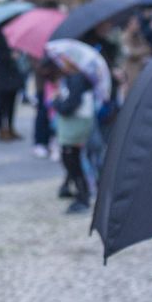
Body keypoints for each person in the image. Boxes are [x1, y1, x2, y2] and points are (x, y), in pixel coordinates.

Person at [52, 59, 96, 213]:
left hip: (75, 124)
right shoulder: (76, 77)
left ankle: (82, 196)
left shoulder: (77, 78)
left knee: (71, 158)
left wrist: (56, 101)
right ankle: (81, 194)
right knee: (71, 159)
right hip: (76, 123)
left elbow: (70, 104)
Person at [0, 25, 23, 141]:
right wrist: (9, 56)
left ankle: (10, 127)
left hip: (12, 76)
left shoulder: (14, 38)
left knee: (12, 103)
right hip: (2, 77)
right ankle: (2, 128)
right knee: (2, 104)